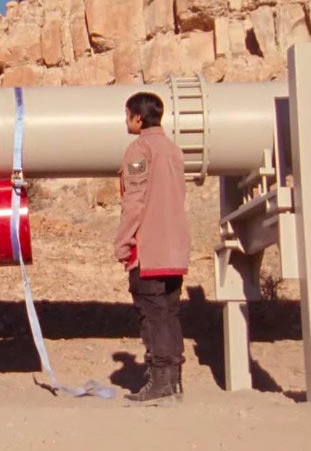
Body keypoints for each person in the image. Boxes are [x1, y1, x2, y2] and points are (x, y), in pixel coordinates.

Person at [114, 91, 190, 402]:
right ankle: (173, 379)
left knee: (152, 316)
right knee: (169, 314)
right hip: (175, 249)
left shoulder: (139, 150)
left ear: (137, 117)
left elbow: (134, 201)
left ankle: (159, 383)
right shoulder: (173, 150)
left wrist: (123, 242)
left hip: (149, 250)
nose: (125, 120)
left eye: (127, 114)